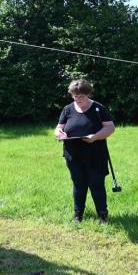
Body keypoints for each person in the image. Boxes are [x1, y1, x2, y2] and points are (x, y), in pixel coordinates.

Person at [54, 79, 115, 223]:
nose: (77, 99)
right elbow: (58, 127)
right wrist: (59, 134)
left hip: (95, 154)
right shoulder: (67, 109)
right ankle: (78, 214)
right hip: (73, 155)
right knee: (79, 184)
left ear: (88, 94)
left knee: (96, 184)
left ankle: (102, 215)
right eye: (75, 96)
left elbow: (110, 127)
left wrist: (94, 137)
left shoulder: (98, 108)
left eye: (81, 96)